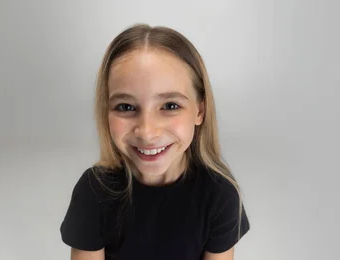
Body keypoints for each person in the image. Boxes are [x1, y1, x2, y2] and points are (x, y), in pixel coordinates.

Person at [60, 23, 250, 260]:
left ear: (199, 111)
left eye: (170, 106)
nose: (147, 132)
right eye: (126, 107)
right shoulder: (94, 192)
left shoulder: (219, 196)